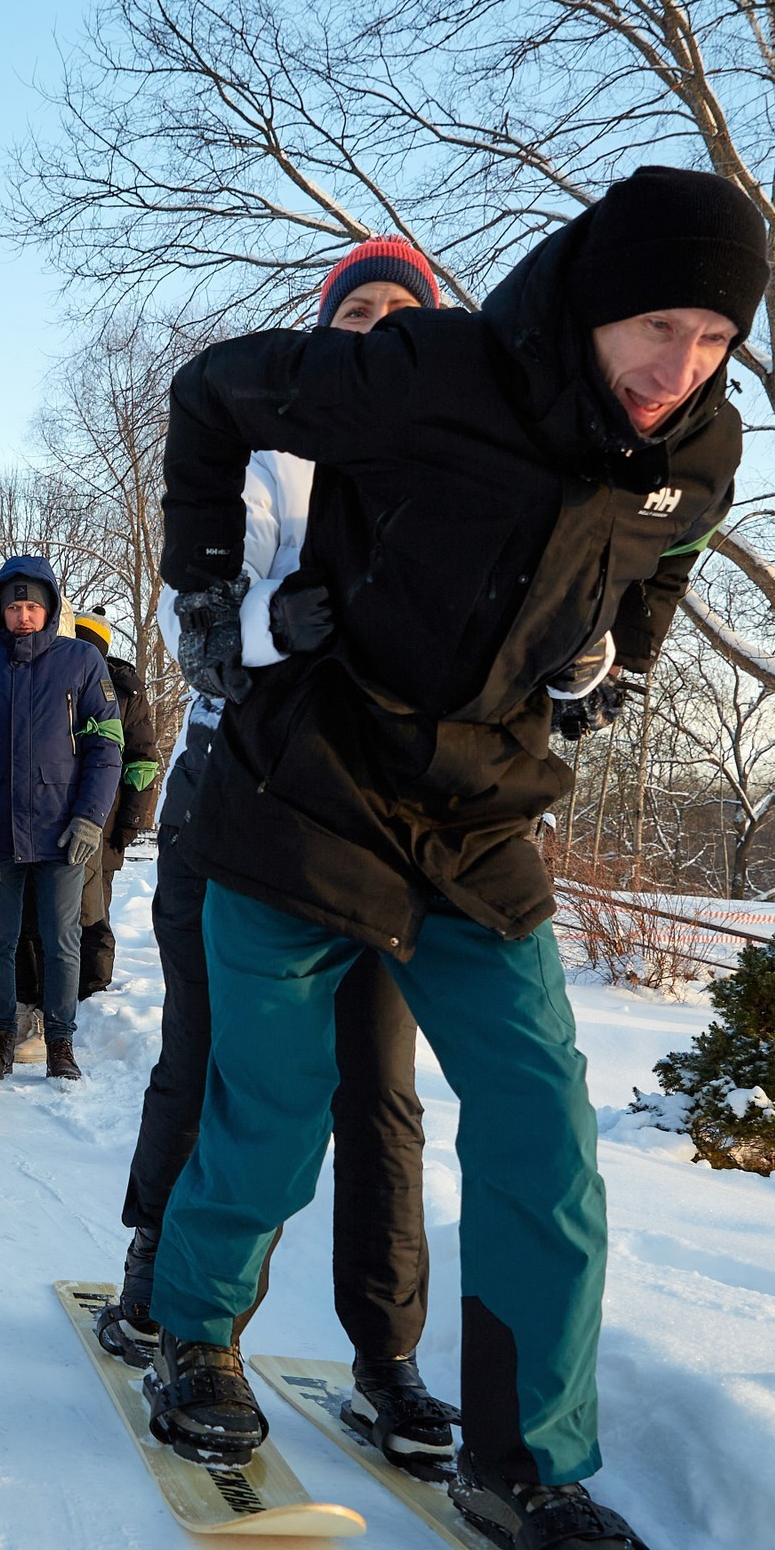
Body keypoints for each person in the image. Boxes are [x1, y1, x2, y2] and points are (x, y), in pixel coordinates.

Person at [148, 168, 767, 1550]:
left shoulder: (703, 445)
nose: (682, 368)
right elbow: (210, 392)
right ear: (599, 298)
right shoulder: (431, 371)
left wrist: (624, 656)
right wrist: (208, 595)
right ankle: (196, 1333)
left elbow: (670, 548)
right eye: (659, 324)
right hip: (312, 788)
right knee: (279, 1103)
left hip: (483, 813)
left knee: (545, 1122)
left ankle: (530, 1459)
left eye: (717, 339)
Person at [95, 240, 455, 1484]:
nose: (372, 332)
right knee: (211, 1051)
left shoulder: (450, 467)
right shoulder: (261, 457)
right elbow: (190, 622)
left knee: (381, 1092)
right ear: (318, 330)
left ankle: (387, 1356)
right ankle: (159, 1268)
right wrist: (267, 622)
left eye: (398, 315)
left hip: (388, 816)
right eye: (352, 311)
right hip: (233, 788)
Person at [0, 557, 121, 1083]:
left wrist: (90, 818)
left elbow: (106, 748)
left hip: (63, 832)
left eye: (33, 606)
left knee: (63, 940)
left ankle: (61, 1041)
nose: (23, 615)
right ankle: (1, 1039)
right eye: (14, 606)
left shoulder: (82, 661)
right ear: (0, 610)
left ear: (49, 610)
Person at [66, 611, 160, 998]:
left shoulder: (125, 693)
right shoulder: (59, 676)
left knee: (95, 904)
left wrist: (131, 819)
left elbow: (143, 760)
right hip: (58, 807)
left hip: (106, 816)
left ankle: (93, 984)